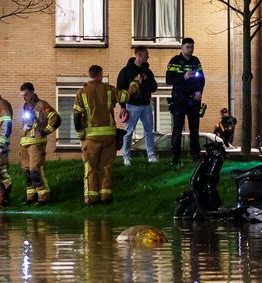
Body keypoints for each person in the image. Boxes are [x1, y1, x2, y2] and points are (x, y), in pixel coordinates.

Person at [73, 65, 130, 205]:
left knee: (91, 166)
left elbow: (76, 117)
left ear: (90, 74)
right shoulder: (109, 90)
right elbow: (125, 96)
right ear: (100, 75)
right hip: (109, 136)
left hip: (91, 137)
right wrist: (134, 84)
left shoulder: (82, 93)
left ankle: (91, 198)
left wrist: (81, 134)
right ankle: (105, 196)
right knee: (106, 166)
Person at [165, 37, 205, 165]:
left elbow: (201, 79)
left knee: (194, 128)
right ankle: (176, 156)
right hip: (179, 100)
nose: (190, 49)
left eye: (192, 47)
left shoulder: (195, 61)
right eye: (188, 47)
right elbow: (169, 79)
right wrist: (183, 77)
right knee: (177, 129)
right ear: (182, 47)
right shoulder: (175, 61)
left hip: (193, 100)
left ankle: (195, 154)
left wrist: (199, 91)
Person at [117, 46, 159, 165]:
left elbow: (154, 87)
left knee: (149, 131)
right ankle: (126, 156)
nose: (148, 57)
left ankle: (151, 156)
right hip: (132, 105)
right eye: (146, 54)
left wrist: (143, 81)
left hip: (146, 104)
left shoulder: (148, 71)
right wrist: (123, 106)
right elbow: (120, 89)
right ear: (139, 55)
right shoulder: (126, 71)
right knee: (129, 131)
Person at [19, 82, 60, 204]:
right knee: (27, 171)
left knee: (35, 170)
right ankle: (31, 197)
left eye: (26, 95)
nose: (24, 97)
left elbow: (56, 119)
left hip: (36, 143)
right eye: (22, 95)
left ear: (32, 92)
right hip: (25, 142)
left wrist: (43, 132)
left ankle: (44, 196)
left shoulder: (42, 105)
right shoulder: (26, 106)